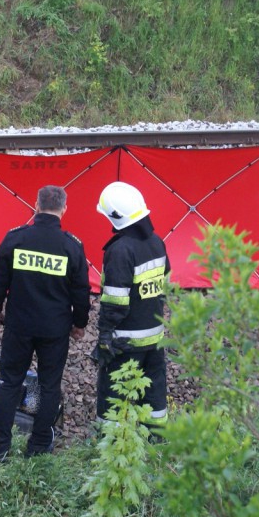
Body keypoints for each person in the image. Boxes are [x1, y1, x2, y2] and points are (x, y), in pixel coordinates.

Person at [0, 185, 91, 461]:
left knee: (10, 382)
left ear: (36, 205)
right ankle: (40, 445)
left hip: (19, 326)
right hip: (54, 330)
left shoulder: (15, 239)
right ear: (64, 209)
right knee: (48, 386)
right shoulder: (71, 246)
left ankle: (0, 447)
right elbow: (81, 291)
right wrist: (80, 323)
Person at [94, 181, 170, 429]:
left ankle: (112, 442)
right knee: (154, 388)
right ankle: (157, 438)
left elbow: (115, 301)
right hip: (155, 336)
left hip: (126, 341)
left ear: (115, 218)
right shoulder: (157, 242)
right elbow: (164, 286)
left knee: (115, 390)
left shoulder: (120, 250)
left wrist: (105, 335)